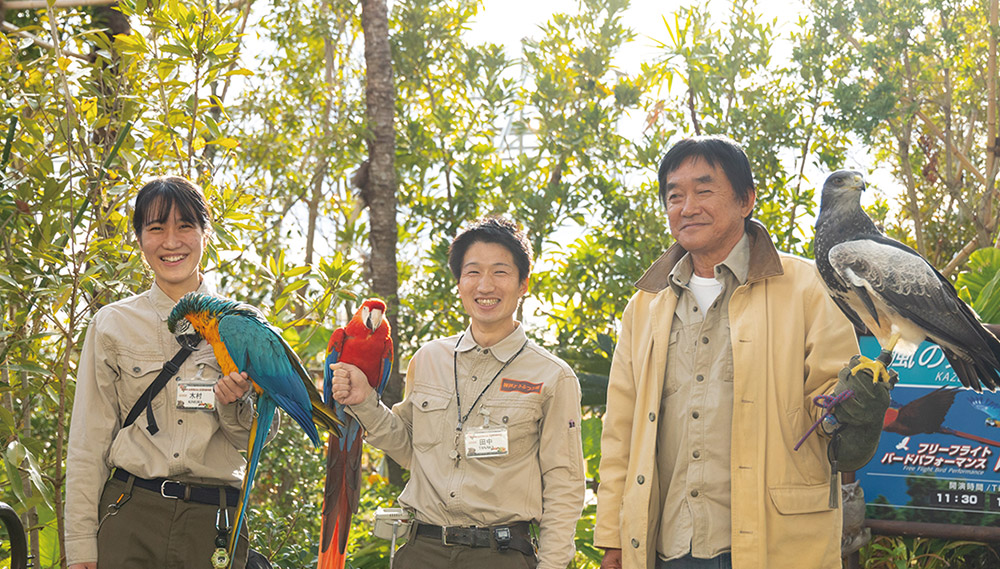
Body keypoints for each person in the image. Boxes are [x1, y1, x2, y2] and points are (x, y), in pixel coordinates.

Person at [593, 136, 885, 569]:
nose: (687, 206)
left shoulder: (806, 286)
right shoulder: (645, 304)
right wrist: (613, 537)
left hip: (774, 541)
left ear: (746, 199)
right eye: (675, 195)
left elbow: (831, 401)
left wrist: (850, 406)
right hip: (667, 541)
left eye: (704, 190)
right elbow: (620, 429)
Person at [330, 217, 585, 569]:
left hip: (502, 555)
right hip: (423, 551)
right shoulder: (429, 359)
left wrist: (553, 566)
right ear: (459, 282)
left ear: (523, 283)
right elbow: (410, 450)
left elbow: (564, 485)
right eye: (473, 272)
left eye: (500, 272)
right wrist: (365, 402)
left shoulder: (553, 376)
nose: (485, 285)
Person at [65, 176, 268, 569]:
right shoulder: (112, 323)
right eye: (156, 228)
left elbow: (257, 441)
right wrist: (80, 547)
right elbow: (88, 441)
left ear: (206, 234)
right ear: (139, 239)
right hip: (130, 515)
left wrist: (234, 403)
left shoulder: (246, 326)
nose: (171, 242)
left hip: (214, 525)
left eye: (185, 226)